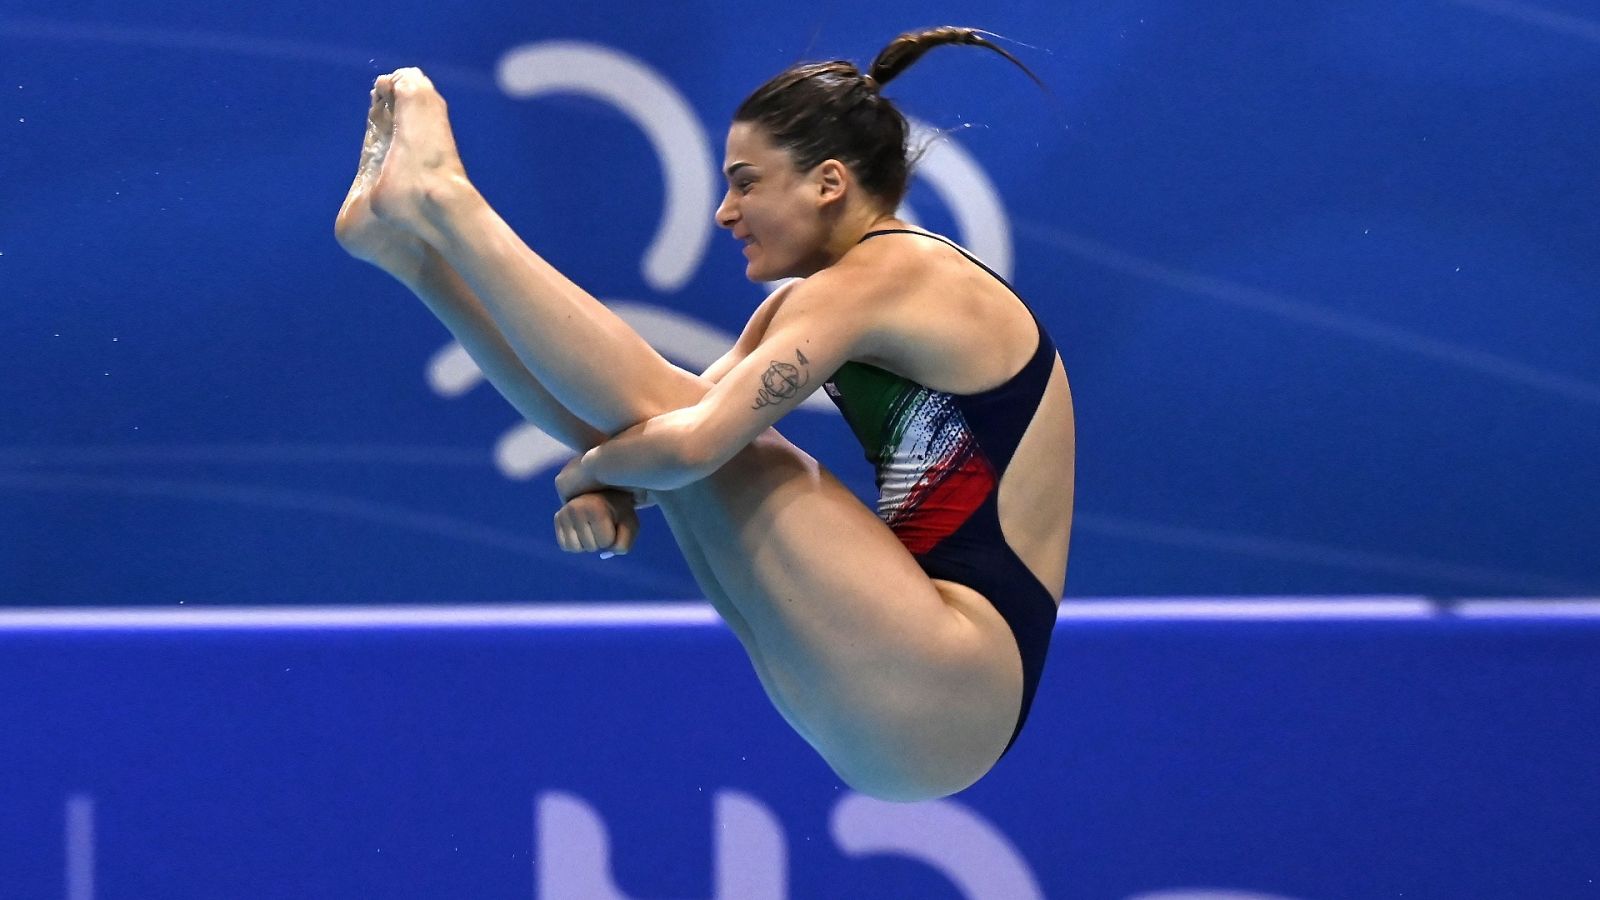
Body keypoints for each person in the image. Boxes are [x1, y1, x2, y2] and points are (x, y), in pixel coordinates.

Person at [334, 26, 1074, 802]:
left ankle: (449, 202)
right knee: (661, 416)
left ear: (828, 182)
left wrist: (591, 477)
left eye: (747, 182)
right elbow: (630, 425)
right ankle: (413, 255)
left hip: (951, 675)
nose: (725, 212)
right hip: (908, 701)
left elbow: (688, 448)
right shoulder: (819, 299)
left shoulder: (897, 270)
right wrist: (609, 476)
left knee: (708, 437)